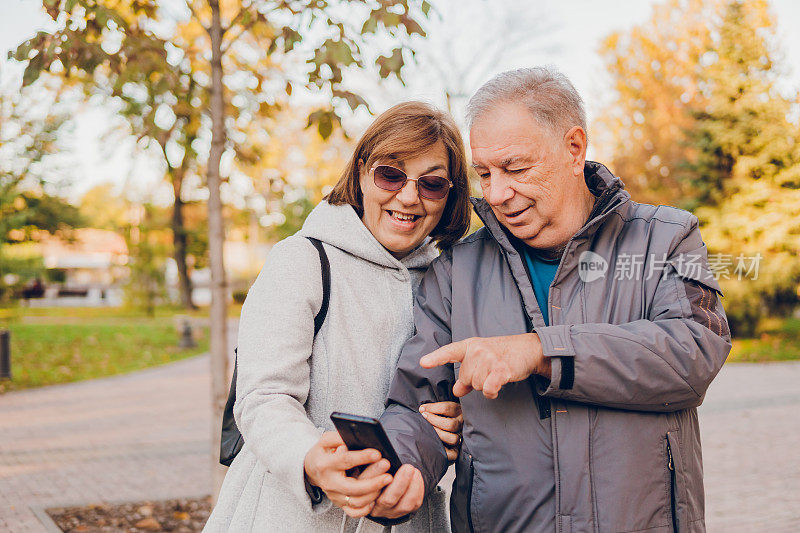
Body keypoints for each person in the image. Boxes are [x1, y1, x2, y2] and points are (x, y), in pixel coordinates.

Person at [366, 67, 732, 532]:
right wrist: (397, 467)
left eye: (515, 168)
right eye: (484, 174)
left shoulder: (670, 237)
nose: (497, 194)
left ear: (574, 148)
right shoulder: (454, 271)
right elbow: (414, 410)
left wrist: (541, 350)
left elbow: (693, 352)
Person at [204, 101, 472, 533]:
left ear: (451, 195)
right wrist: (311, 459)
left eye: (432, 184)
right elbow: (263, 397)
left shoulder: (452, 283)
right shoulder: (303, 260)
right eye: (391, 173)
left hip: (409, 517)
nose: (408, 196)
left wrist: (461, 418)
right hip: (291, 516)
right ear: (363, 171)